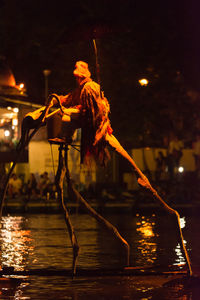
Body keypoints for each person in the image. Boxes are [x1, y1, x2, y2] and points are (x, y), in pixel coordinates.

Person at [49, 61, 149, 186]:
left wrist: (73, 110)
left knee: (65, 116)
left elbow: (92, 112)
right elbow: (69, 98)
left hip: (94, 121)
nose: (76, 79)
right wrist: (57, 100)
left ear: (81, 76)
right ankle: (65, 137)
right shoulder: (80, 89)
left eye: (77, 77)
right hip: (85, 118)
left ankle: (65, 137)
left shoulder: (90, 87)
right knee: (65, 116)